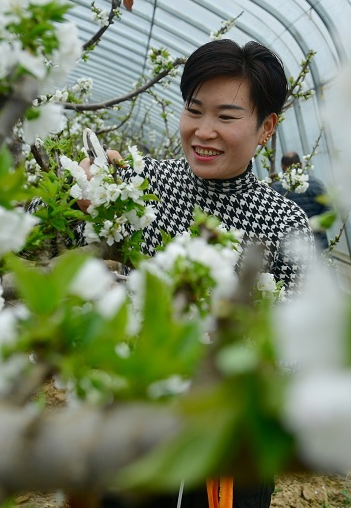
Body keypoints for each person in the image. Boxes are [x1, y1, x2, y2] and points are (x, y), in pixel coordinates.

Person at [79, 39, 314, 508]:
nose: (203, 131)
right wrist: (82, 191)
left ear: (266, 128)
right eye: (194, 110)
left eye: (226, 117)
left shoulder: (283, 223)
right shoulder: (149, 184)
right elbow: (48, 218)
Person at [271, 152, 329, 253]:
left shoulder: (277, 188)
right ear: (301, 165)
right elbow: (328, 208)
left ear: (282, 167)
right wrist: (316, 225)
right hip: (317, 242)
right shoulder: (316, 183)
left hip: (293, 245)